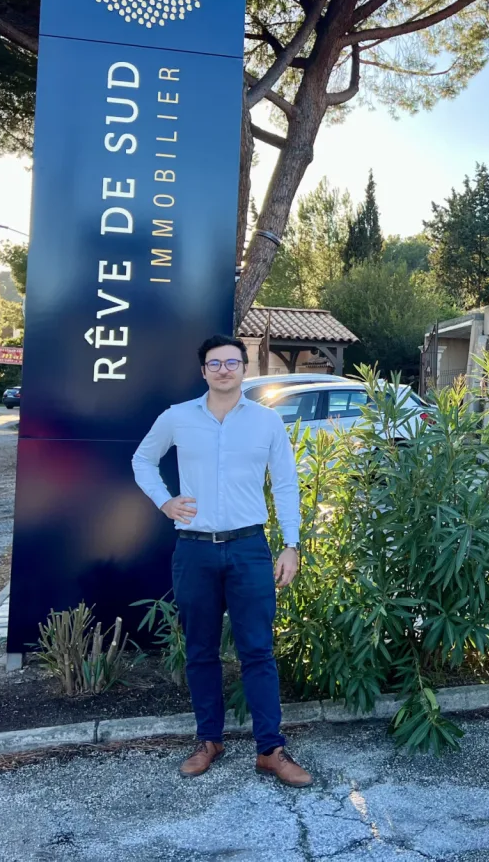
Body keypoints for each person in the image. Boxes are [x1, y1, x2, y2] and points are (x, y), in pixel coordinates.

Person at [132, 334, 312, 787]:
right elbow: (142, 460)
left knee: (258, 650)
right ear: (203, 371)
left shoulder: (266, 422)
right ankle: (208, 740)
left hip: (249, 548)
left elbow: (287, 484)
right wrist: (165, 503)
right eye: (216, 363)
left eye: (233, 362)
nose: (225, 369)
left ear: (245, 369)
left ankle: (270, 749)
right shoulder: (178, 417)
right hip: (193, 548)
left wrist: (291, 544)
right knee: (200, 651)